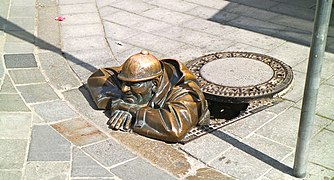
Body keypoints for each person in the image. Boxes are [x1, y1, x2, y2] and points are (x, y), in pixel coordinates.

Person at [87, 50, 209, 142]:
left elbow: (175, 127)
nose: (124, 88)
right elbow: (98, 79)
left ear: (154, 84)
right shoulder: (137, 75)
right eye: (124, 82)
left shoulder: (184, 91)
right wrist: (119, 101)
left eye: (132, 85)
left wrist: (132, 109)